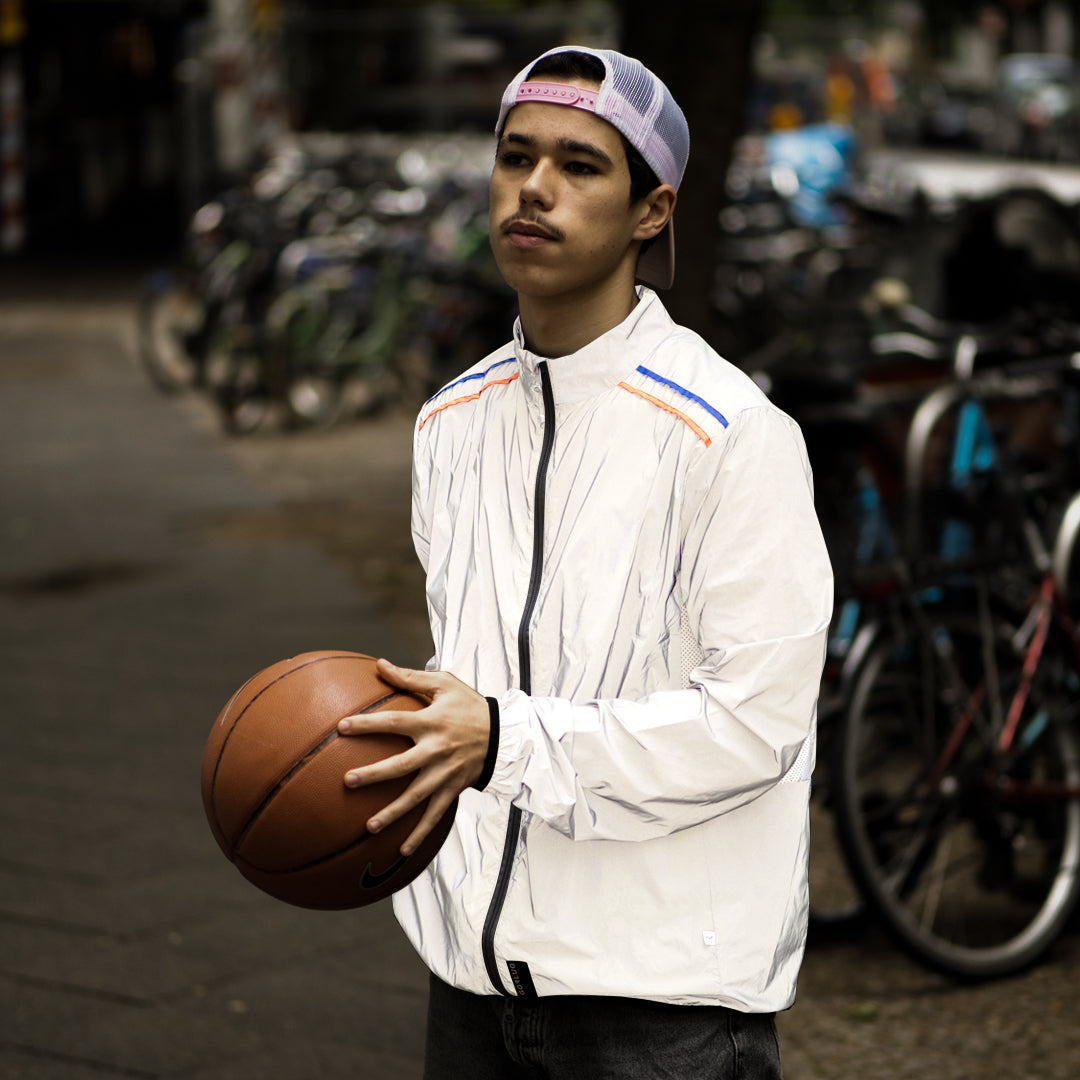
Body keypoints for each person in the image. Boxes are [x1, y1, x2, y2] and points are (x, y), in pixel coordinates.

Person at [337, 45, 833, 1079]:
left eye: (580, 164)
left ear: (652, 210)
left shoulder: (734, 436)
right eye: (516, 156)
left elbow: (753, 724)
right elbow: (469, 677)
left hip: (660, 1013)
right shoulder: (450, 422)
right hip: (469, 987)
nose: (535, 187)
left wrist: (502, 740)